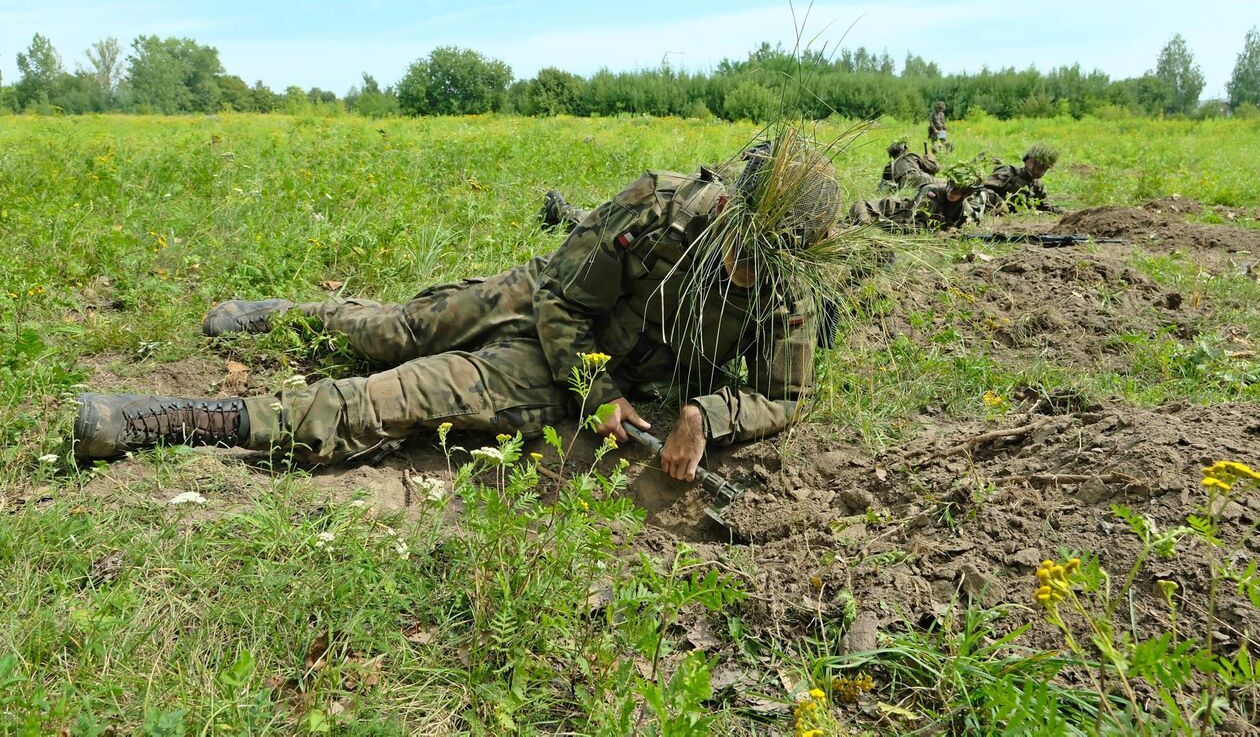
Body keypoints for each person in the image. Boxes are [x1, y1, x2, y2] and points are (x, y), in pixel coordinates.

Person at [74, 135, 842, 484]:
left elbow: (784, 394)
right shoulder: (662, 202)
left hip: (550, 378)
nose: (743, 269)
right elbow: (566, 303)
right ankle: (283, 313)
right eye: (738, 248)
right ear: (728, 206)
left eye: (762, 263)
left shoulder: (787, 285)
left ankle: (165, 419)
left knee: (401, 393)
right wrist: (601, 396)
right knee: (397, 329)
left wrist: (706, 414)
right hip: (548, 304)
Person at [849, 180, 982, 232]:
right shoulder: (932, 191)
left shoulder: (963, 206)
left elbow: (973, 220)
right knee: (862, 220)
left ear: (965, 194)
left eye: (957, 191)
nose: (952, 193)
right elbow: (920, 220)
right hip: (891, 210)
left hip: (903, 221)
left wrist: (961, 228)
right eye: (951, 188)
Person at [979, 144, 1062, 214]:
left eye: (1045, 168)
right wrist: (998, 202)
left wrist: (1062, 212)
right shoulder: (1008, 174)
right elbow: (982, 190)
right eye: (1039, 166)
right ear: (1029, 161)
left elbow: (1043, 205)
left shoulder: (1037, 186)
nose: (1041, 171)